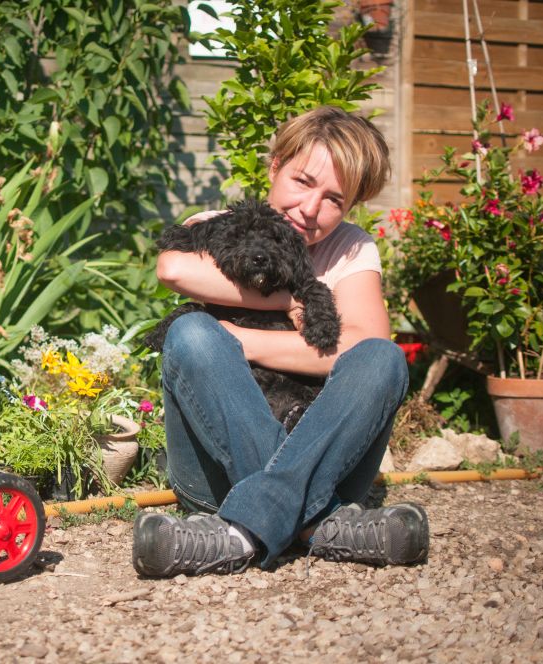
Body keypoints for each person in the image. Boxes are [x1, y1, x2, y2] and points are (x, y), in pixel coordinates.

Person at [132, 106, 428, 577]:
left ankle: (240, 533)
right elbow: (172, 269)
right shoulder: (220, 223)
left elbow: (364, 343)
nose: (310, 209)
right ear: (275, 167)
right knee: (190, 334)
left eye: (334, 199)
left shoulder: (350, 249)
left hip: (323, 466)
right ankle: (317, 523)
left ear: (350, 207)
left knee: (383, 358)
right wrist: (289, 301)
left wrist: (235, 339)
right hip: (213, 481)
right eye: (303, 182)